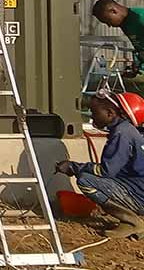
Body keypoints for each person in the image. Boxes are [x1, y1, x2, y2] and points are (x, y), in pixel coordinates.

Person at [56, 94, 144, 238]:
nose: (92, 117)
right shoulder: (127, 130)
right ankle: (129, 222)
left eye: (95, 112)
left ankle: (133, 222)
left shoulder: (121, 133)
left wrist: (73, 167)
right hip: (137, 189)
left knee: (85, 180)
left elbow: (105, 171)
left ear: (110, 113)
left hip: (138, 195)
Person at [93, 0, 144, 76]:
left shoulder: (140, 17)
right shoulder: (125, 24)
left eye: (108, 21)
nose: (109, 26)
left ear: (113, 11)